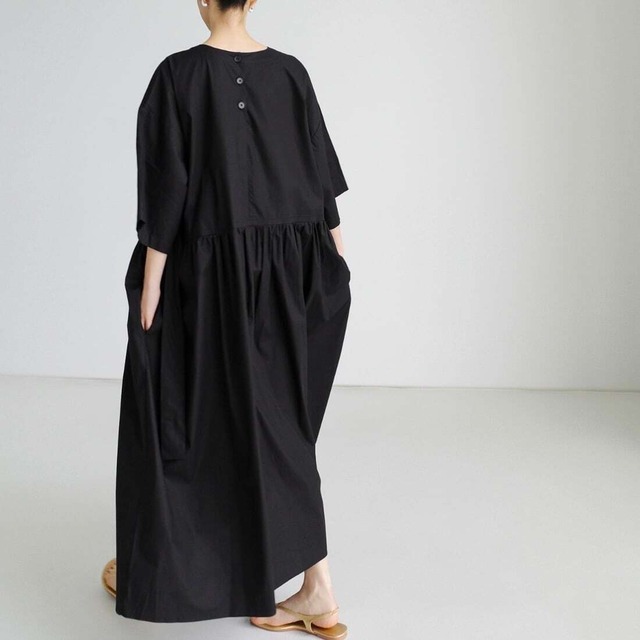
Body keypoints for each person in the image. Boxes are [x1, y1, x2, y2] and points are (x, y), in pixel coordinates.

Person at [101, 0, 351, 637]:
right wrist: (335, 262)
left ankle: (160, 569)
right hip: (293, 272)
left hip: (211, 277)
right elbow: (322, 179)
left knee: (179, 416)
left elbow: (167, 187)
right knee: (282, 424)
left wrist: (152, 283)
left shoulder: (178, 74)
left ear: (202, 0)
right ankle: (316, 587)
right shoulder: (291, 71)